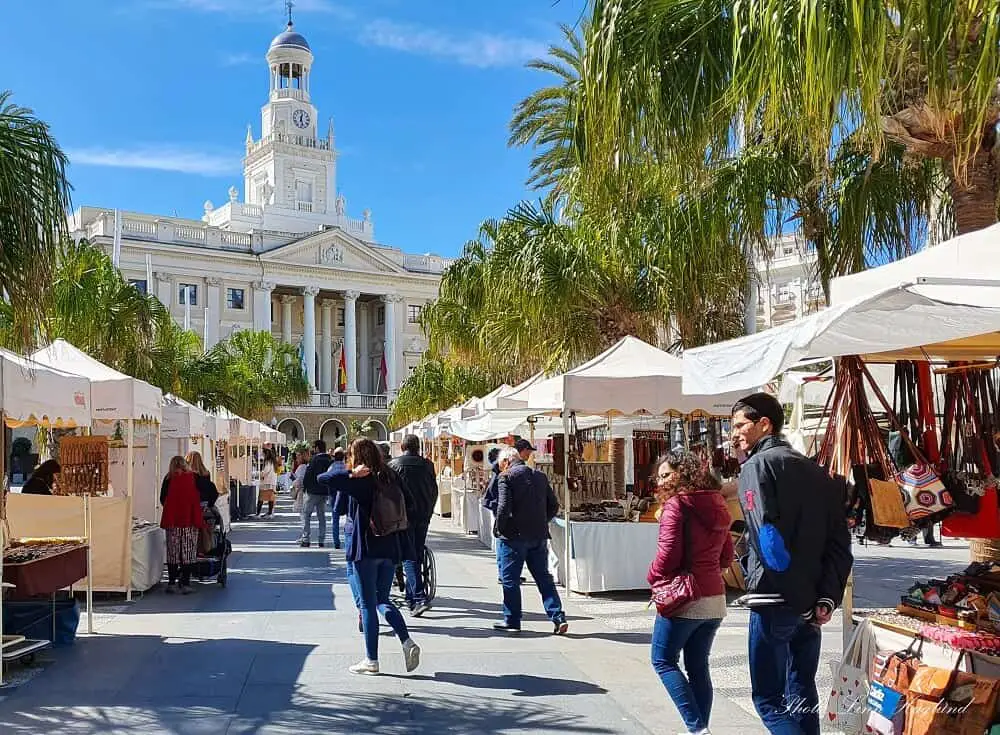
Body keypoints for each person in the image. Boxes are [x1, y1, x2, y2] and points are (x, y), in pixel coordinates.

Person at [731, 392, 853, 735]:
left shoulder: (757, 466)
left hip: (778, 600)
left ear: (764, 424)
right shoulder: (819, 473)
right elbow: (840, 547)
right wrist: (825, 598)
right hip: (810, 603)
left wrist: (796, 595)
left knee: (768, 700)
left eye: (740, 425)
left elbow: (767, 536)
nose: (734, 434)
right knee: (801, 692)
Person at [647, 450, 734, 735]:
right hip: (715, 598)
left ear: (682, 473)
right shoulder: (718, 502)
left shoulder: (677, 505)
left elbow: (668, 555)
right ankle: (700, 729)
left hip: (685, 598)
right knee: (698, 666)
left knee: (663, 660)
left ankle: (697, 728)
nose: (661, 481)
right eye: (659, 476)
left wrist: (652, 576)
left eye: (666, 474)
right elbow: (727, 555)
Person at [319, 438, 421, 675]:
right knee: (382, 599)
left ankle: (371, 660)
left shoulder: (360, 480)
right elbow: (411, 504)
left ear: (354, 457)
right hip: (390, 546)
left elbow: (322, 479)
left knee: (367, 604)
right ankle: (406, 640)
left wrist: (352, 475)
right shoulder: (390, 475)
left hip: (365, 549)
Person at [492, 446, 568, 635]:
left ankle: (512, 620)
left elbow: (502, 507)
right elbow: (554, 504)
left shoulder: (506, 477)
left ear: (506, 462)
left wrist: (499, 528)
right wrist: (543, 521)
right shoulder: (539, 476)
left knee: (510, 579)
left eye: (501, 465)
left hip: (514, 536)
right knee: (544, 578)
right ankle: (558, 616)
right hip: (538, 535)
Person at [390, 434, 439, 616]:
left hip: (404, 517)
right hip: (423, 515)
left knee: (408, 555)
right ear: (417, 447)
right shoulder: (428, 465)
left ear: (402, 446)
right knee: (416, 552)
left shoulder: (394, 465)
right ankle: (412, 596)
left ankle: (418, 597)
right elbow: (434, 490)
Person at [160, 456, 207, 594]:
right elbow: (206, 494)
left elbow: (162, 498)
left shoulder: (168, 479)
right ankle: (185, 583)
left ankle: (171, 582)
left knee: (173, 552)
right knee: (188, 552)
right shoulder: (194, 477)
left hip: (173, 520)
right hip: (189, 520)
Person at [300, 439, 334, 548]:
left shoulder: (314, 460)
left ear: (317, 448)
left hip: (312, 492)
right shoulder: (330, 460)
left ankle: (306, 539)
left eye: (314, 447)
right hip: (324, 492)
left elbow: (308, 475)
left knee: (306, 514)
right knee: (321, 516)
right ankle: (321, 539)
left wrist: (305, 487)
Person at [256, 447, 278, 518]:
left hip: (267, 482)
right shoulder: (273, 461)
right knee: (270, 498)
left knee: (261, 498)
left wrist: (260, 474)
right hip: (272, 482)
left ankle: (258, 513)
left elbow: (266, 471)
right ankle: (270, 513)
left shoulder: (268, 462)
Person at [290, 449, 309, 513]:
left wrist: (293, 481)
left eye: (298, 457)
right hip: (303, 490)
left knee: (302, 512)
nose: (297, 459)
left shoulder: (302, 467)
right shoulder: (305, 466)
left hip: (301, 491)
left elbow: (300, 480)